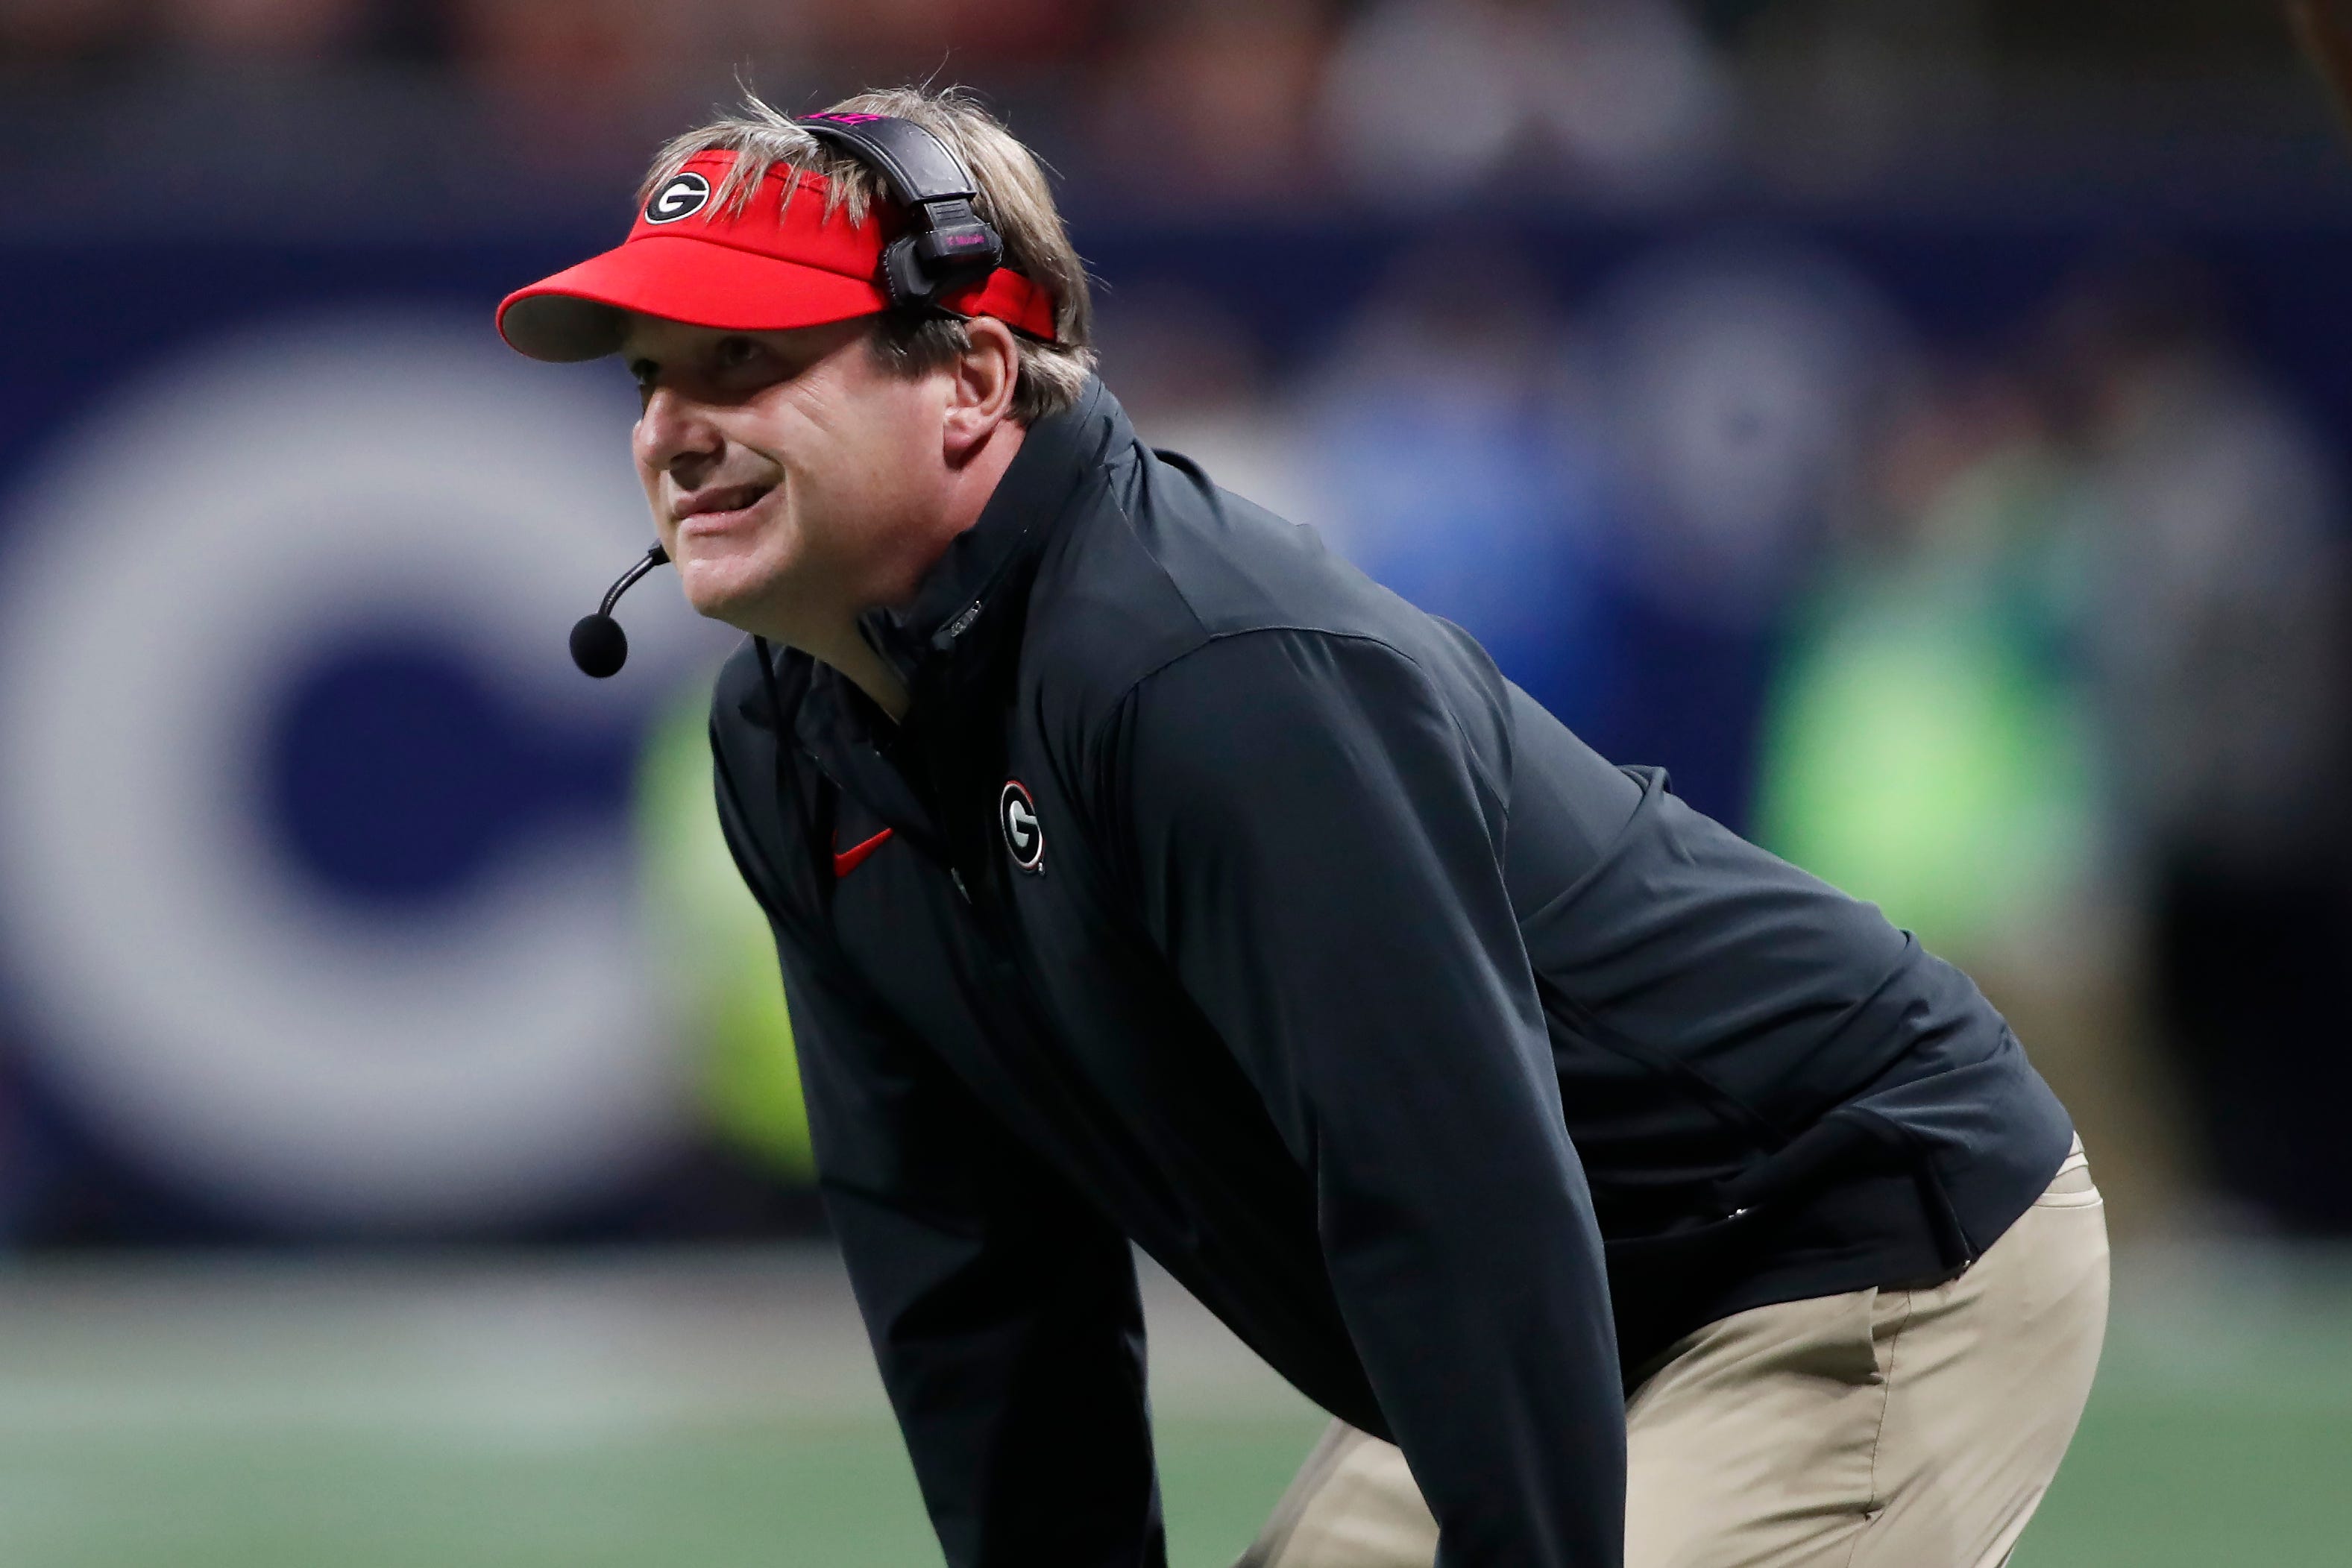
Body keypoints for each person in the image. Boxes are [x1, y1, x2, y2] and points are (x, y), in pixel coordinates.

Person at [495, 84, 2108, 1568]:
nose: (671, 429)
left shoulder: (1203, 671)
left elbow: (1452, 1190)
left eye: (747, 360)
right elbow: (977, 1280)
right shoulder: (791, 737)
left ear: (974, 378)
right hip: (1563, 1297)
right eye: (652, 377)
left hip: (1839, 1251)